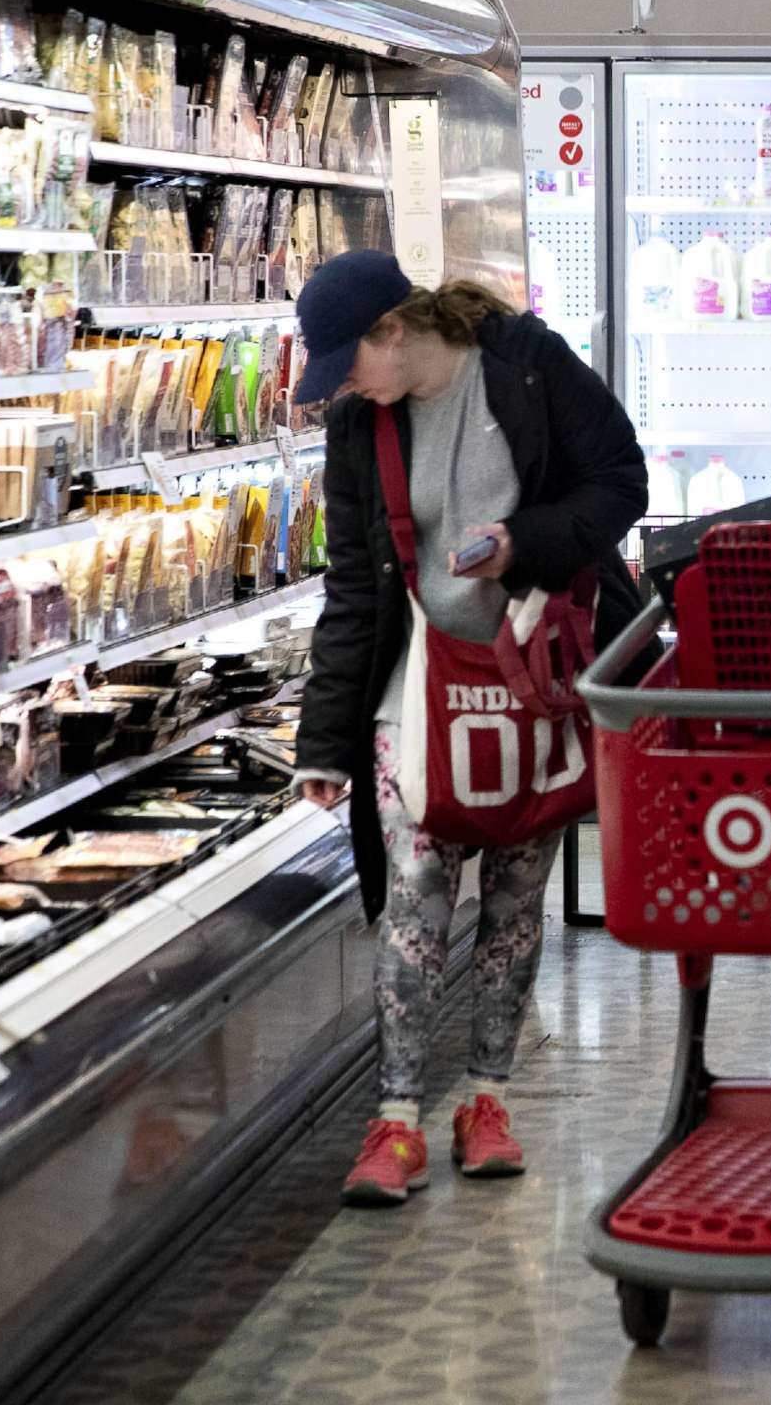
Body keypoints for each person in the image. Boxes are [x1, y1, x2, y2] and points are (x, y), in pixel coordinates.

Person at [291, 251, 647, 1208]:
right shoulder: (361, 430)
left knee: (516, 902)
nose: (344, 387)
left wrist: (523, 543)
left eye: (349, 363)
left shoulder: (527, 367)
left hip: (532, 675)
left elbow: (621, 482)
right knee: (414, 899)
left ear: (395, 334)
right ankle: (396, 1118)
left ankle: (487, 1101)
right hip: (413, 687)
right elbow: (353, 587)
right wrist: (323, 739)